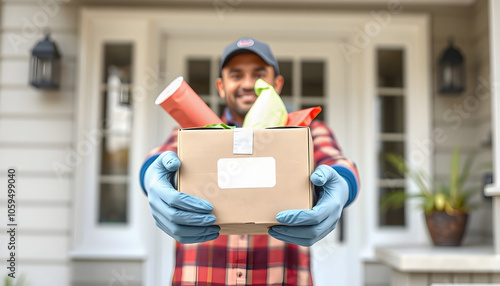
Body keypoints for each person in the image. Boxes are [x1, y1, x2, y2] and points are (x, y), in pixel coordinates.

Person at [139, 37, 360, 285]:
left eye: (258, 75)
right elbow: (159, 157)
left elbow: (337, 162)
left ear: (277, 83)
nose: (247, 83)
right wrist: (151, 178)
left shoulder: (305, 130)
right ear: (221, 87)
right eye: (236, 75)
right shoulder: (193, 133)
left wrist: (341, 186)